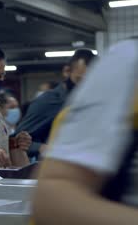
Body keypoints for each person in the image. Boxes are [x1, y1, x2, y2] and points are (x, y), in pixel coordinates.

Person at [32, 39, 138, 224]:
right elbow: (52, 198)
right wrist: (37, 147)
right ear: (67, 72)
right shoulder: (127, 63)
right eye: (80, 80)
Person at [14, 49, 96, 159]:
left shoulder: (93, 101)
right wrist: (43, 148)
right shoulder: (49, 101)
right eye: (80, 80)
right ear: (67, 71)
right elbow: (17, 141)